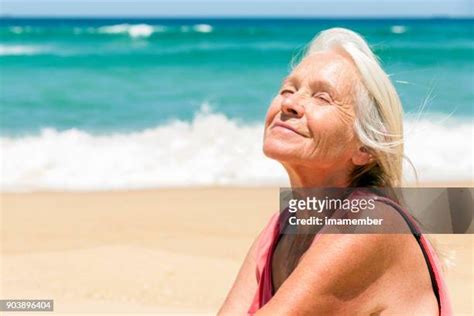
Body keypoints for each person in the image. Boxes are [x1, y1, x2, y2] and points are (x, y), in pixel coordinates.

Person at [218, 28, 452, 315]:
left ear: (364, 148)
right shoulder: (278, 230)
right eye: (287, 90)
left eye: (322, 98)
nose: (289, 104)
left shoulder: (370, 223)